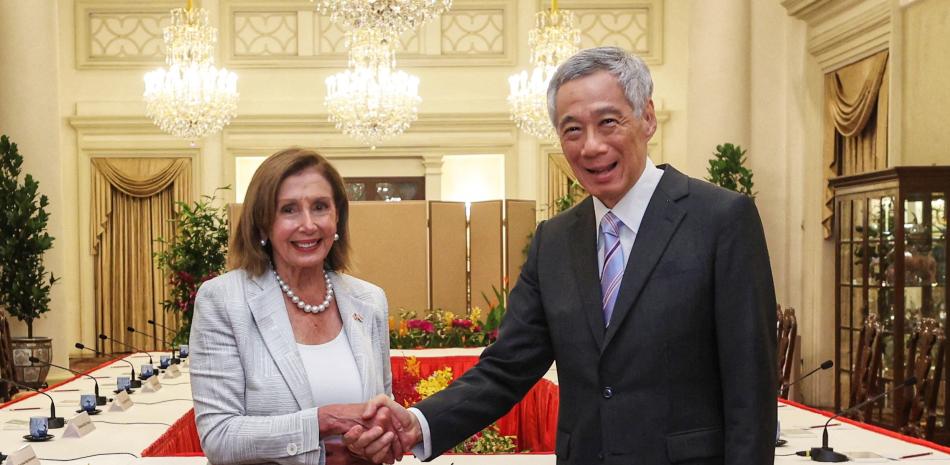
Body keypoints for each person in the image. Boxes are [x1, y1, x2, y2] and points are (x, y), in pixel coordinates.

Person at [346, 46, 778, 465]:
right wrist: (418, 424)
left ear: (647, 118)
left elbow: (751, 390)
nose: (590, 146)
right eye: (572, 129)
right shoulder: (554, 239)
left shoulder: (721, 220)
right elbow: (507, 367)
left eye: (608, 122)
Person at [190, 147, 403, 465]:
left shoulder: (370, 300)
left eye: (320, 207)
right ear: (262, 225)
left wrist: (379, 441)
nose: (308, 224)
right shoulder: (223, 301)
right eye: (288, 210)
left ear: (337, 217)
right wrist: (324, 421)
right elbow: (220, 437)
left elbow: (383, 413)